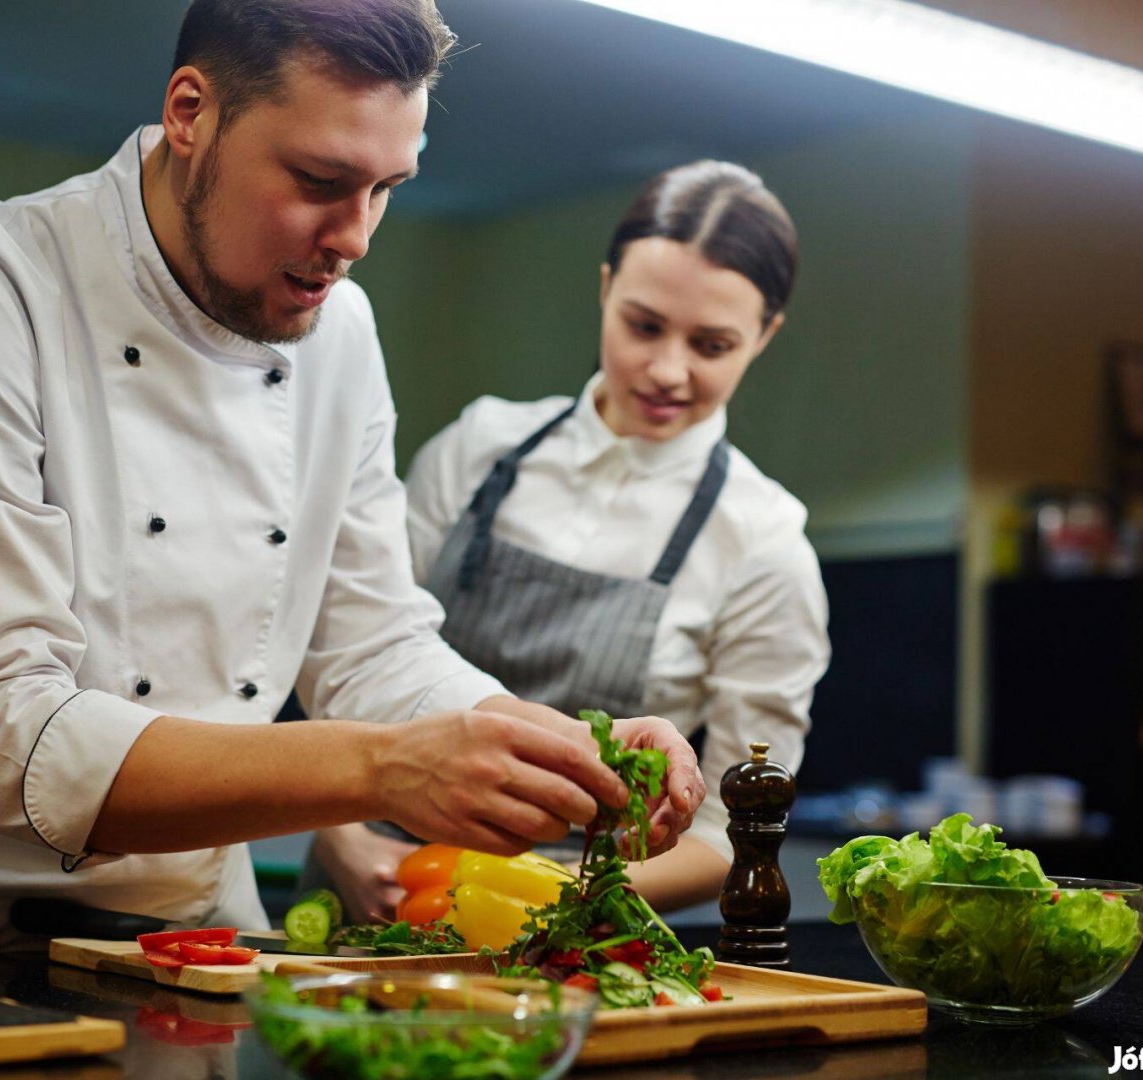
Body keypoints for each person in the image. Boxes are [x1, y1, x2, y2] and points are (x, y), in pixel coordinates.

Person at [0, 0, 707, 952]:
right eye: (321, 179)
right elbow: (0, 734)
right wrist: (383, 768)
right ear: (190, 112)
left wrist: (566, 752)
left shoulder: (339, 331)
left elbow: (374, 646)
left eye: (388, 188)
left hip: (189, 928)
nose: (355, 237)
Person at [311, 161, 830, 920]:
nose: (667, 369)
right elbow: (349, 656)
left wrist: (537, 901)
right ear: (605, 287)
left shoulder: (765, 542)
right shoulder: (479, 448)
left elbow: (732, 834)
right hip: (374, 884)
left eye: (712, 345)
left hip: (573, 929)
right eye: (643, 325)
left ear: (765, 335)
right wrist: (340, 837)